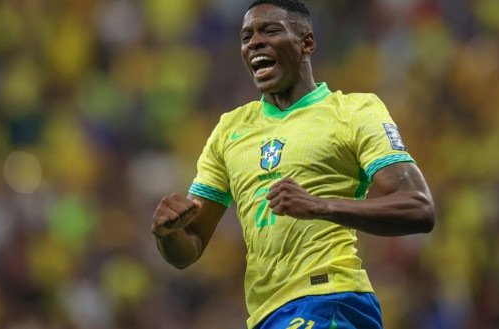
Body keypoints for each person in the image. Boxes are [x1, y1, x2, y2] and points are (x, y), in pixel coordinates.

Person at [151, 0, 436, 328]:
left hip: (331, 300)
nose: (255, 42)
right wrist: (168, 235)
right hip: (267, 315)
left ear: (307, 43)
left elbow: (419, 208)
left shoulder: (354, 112)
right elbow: (190, 248)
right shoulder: (229, 131)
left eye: (270, 30)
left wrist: (320, 206)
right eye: (246, 37)